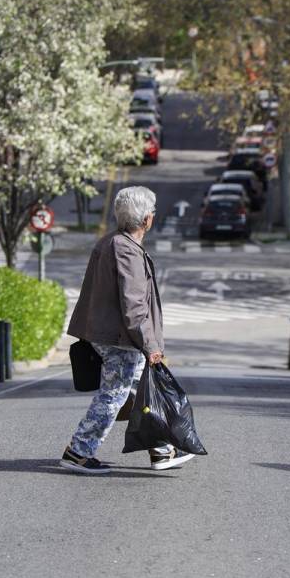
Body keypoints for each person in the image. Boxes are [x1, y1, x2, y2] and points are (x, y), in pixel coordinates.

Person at [60, 186, 195, 475]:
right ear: (147, 219)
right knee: (114, 395)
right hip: (121, 339)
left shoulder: (110, 242)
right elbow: (134, 306)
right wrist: (150, 345)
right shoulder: (127, 251)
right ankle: (79, 451)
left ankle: (161, 450)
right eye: (153, 214)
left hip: (110, 334)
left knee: (140, 392)